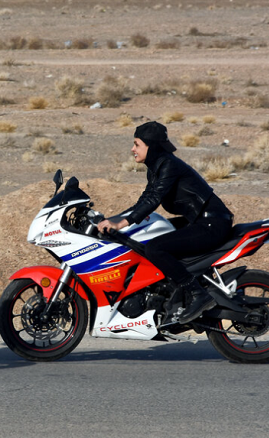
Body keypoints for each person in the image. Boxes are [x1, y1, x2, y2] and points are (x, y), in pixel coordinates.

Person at [97, 121, 233, 324]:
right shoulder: (156, 166)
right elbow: (144, 200)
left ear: (150, 146)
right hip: (198, 221)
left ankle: (198, 294)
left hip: (211, 224)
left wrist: (122, 223)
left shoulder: (169, 165)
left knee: (155, 248)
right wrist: (112, 220)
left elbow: (154, 199)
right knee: (151, 237)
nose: (132, 149)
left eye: (137, 144)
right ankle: (174, 293)